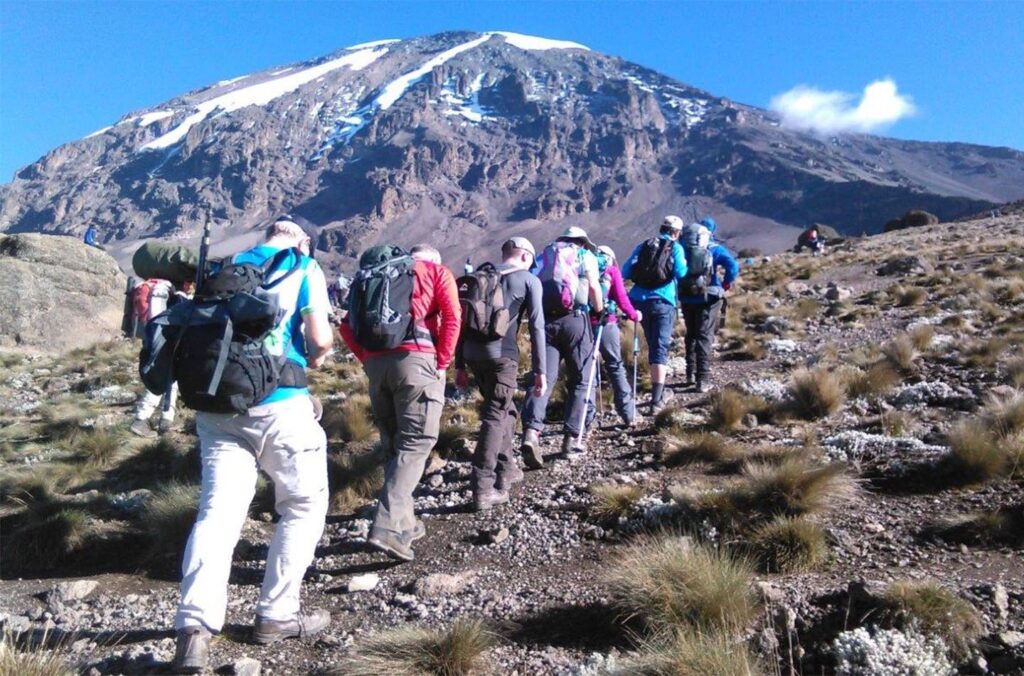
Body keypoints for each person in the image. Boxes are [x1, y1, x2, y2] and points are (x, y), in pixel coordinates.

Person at [173, 218, 335, 673]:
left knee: (218, 513)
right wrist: (319, 358)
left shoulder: (224, 266)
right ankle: (276, 615)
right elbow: (320, 338)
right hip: (280, 405)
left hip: (218, 409)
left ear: (265, 235)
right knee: (302, 504)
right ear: (302, 239)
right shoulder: (304, 266)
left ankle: (194, 630)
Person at [339, 243, 460, 561]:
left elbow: (346, 325)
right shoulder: (436, 272)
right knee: (417, 442)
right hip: (417, 360)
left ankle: (406, 521)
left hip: (377, 366)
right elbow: (451, 317)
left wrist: (367, 359)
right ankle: (387, 528)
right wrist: (442, 361)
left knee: (394, 443)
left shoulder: (370, 279)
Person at [455, 237, 547, 511]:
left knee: (504, 409)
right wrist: (541, 370)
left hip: (473, 355)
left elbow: (462, 324)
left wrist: (459, 365)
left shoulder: (481, 277)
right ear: (525, 256)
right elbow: (538, 327)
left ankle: (507, 468)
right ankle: (483, 486)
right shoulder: (529, 280)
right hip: (502, 356)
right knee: (495, 415)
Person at [520, 226, 604, 466]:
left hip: (545, 322)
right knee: (581, 380)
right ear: (581, 241)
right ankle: (571, 438)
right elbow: (594, 288)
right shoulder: (584, 255)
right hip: (576, 321)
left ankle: (531, 433)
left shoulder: (545, 254)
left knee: (543, 378)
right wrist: (599, 312)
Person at [621, 215, 688, 414]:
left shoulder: (643, 245)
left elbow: (625, 271)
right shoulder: (675, 247)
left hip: (638, 301)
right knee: (660, 347)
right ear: (677, 232)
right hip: (662, 302)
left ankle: (647, 389)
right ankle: (656, 400)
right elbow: (681, 272)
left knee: (652, 343)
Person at [678, 217, 740, 393]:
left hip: (687, 297)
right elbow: (733, 267)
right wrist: (725, 283)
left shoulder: (682, 248)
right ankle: (703, 379)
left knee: (691, 333)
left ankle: (690, 373)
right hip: (708, 297)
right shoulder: (715, 249)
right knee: (704, 335)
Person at [588, 245, 641, 427]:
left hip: (584, 324)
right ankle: (628, 413)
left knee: (588, 369)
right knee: (615, 365)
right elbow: (622, 298)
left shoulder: (584, 267)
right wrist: (633, 315)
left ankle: (587, 418)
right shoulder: (611, 270)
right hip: (607, 324)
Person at [130, 278, 186, 437]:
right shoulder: (177, 296)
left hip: (157, 340)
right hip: (167, 343)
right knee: (162, 379)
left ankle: (166, 421)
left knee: (170, 379)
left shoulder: (165, 291)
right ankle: (141, 420)